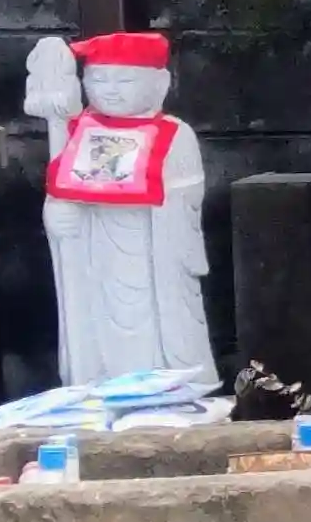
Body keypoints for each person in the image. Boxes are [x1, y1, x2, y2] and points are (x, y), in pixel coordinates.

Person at [24, 31, 217, 387]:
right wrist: (57, 214)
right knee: (94, 326)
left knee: (156, 330)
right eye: (98, 79)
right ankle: (95, 382)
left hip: (150, 259)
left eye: (125, 80)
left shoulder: (175, 134)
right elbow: (63, 189)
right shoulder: (81, 131)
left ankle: (166, 387)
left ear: (160, 83)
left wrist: (151, 201)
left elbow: (185, 198)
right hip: (95, 261)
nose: (110, 90)